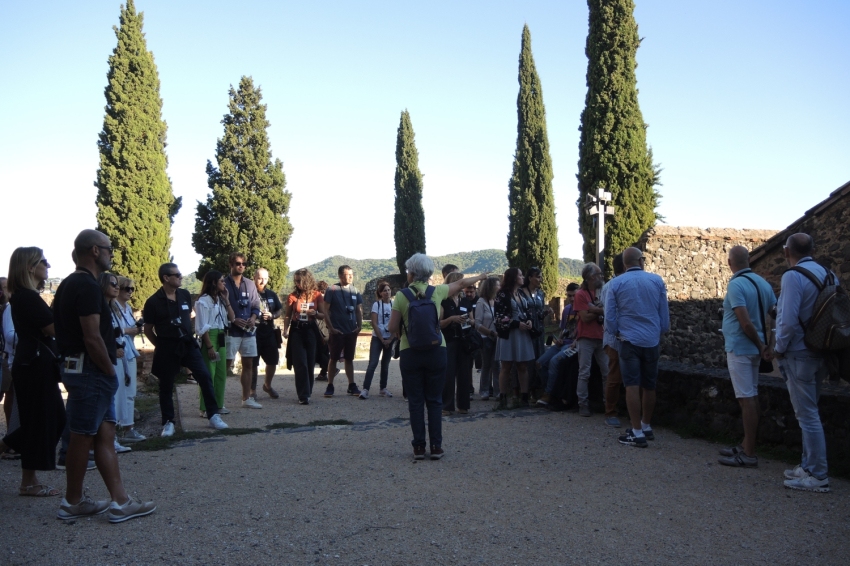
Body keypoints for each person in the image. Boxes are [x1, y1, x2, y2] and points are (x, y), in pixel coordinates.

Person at [54, 229, 155, 522]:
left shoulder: (71, 285)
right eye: (108, 247)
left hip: (85, 369)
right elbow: (92, 337)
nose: (112, 252)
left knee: (103, 435)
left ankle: (119, 500)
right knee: (82, 437)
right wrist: (110, 370)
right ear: (95, 251)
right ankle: (73, 501)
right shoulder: (85, 286)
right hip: (92, 370)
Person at [388, 254, 487, 460]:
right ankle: (436, 447)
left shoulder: (401, 296)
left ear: (412, 273)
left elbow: (391, 327)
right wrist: (480, 276)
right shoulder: (437, 291)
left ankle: (418, 447)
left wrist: (401, 331)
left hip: (410, 351)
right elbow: (460, 283)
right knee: (434, 400)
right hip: (436, 349)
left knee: (415, 401)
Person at [0, 247, 65, 497]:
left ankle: (28, 479)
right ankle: (28, 480)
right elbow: (53, 329)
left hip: (34, 365)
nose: (47, 266)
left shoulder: (25, 296)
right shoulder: (27, 297)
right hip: (34, 366)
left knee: (41, 421)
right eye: (43, 262)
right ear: (30, 267)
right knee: (45, 420)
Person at [773, 233, 832, 492]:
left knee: (807, 415)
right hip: (822, 350)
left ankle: (818, 475)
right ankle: (808, 466)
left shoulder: (793, 276)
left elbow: (786, 319)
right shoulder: (829, 274)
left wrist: (778, 348)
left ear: (787, 252)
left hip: (799, 352)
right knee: (811, 411)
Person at [143, 262, 230, 436]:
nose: (181, 277)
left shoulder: (183, 295)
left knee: (205, 377)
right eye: (177, 275)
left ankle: (213, 414)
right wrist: (160, 345)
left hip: (188, 344)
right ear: (166, 278)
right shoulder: (153, 301)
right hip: (167, 346)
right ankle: (168, 422)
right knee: (166, 385)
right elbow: (147, 329)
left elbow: (189, 317)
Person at [717, 246, 776, 468]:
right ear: (749, 260)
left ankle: (749, 453)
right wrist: (770, 344)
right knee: (751, 395)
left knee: (746, 399)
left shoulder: (736, 285)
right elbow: (775, 316)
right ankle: (745, 444)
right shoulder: (763, 283)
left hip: (741, 347)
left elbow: (745, 322)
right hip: (755, 348)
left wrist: (762, 345)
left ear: (730, 262)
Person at [605, 247, 670, 448]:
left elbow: (609, 316)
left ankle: (636, 431)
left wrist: (616, 332)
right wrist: (660, 331)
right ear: (641, 261)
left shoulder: (616, 283)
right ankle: (646, 424)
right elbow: (664, 315)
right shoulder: (657, 281)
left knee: (631, 385)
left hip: (628, 340)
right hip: (651, 340)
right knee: (649, 385)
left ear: (625, 264)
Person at [194, 270, 235, 417]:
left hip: (221, 335)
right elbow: (202, 326)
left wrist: (227, 300)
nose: (224, 283)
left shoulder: (221, 299)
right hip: (209, 336)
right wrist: (209, 346)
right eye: (221, 281)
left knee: (221, 373)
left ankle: (218, 404)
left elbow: (232, 317)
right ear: (213, 283)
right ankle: (205, 407)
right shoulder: (203, 301)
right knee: (208, 373)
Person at [99, 273, 133, 455]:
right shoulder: (100, 308)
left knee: (118, 396)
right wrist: (112, 349)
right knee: (110, 398)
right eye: (113, 284)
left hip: (118, 357)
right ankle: (108, 440)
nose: (117, 287)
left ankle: (113, 438)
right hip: (108, 358)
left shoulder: (113, 308)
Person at [223, 252, 262, 408]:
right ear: (231, 265)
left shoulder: (250, 284)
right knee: (225, 365)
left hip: (248, 331)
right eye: (238, 263)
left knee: (249, 364)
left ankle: (246, 399)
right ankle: (218, 401)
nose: (241, 266)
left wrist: (253, 318)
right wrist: (232, 319)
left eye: (244, 264)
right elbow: (218, 306)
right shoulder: (223, 283)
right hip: (230, 331)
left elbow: (256, 306)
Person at [494, 268, 536, 408]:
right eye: (520, 274)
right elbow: (499, 317)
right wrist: (517, 323)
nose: (522, 276)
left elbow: (527, 311)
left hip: (522, 333)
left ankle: (524, 397)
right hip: (509, 334)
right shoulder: (502, 295)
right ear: (513, 277)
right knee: (506, 366)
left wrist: (529, 320)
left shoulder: (520, 293)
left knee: (522, 366)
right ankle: (503, 398)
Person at [282, 269, 325, 404]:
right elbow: (288, 315)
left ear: (307, 280)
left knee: (310, 362)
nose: (297, 283)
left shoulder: (317, 295)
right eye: (295, 280)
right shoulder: (293, 296)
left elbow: (323, 315)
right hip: (297, 330)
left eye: (299, 280)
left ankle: (308, 391)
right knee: (300, 363)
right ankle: (303, 395)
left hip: (311, 330)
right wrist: (285, 329)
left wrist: (315, 313)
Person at [535, 282, 579, 407]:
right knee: (540, 363)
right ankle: (549, 390)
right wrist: (559, 339)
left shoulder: (583, 310)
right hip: (563, 343)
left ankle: (549, 394)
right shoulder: (566, 310)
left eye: (574, 295)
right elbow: (563, 329)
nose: (571, 298)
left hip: (574, 345)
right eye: (569, 296)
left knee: (555, 361)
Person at [113, 277, 146, 443]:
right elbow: (113, 329)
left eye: (132, 289)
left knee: (130, 391)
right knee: (118, 392)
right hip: (119, 352)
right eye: (127, 288)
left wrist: (135, 329)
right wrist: (128, 329)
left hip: (129, 352)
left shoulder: (127, 308)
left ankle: (129, 427)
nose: (130, 292)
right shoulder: (113, 308)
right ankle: (116, 431)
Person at [573, 263, 608, 417]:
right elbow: (585, 318)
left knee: (607, 372)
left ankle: (609, 404)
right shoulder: (580, 294)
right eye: (599, 274)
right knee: (584, 372)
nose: (602, 276)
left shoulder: (603, 291)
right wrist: (601, 310)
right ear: (592, 277)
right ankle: (583, 404)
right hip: (586, 338)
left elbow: (608, 310)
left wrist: (594, 309)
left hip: (601, 337)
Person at [322, 265, 363, 397]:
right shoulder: (332, 290)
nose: (351, 277)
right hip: (337, 331)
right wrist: (331, 328)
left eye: (352, 274)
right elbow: (325, 310)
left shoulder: (355, 291)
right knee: (333, 358)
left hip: (351, 331)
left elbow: (358, 310)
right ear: (340, 276)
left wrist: (360, 326)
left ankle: (351, 385)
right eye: (348, 274)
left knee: (349, 358)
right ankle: (330, 385)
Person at [440, 272, 473, 415]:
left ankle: (463, 405)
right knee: (448, 373)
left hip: (464, 341)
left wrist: (469, 321)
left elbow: (473, 320)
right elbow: (438, 323)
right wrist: (452, 319)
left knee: (464, 374)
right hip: (449, 341)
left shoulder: (465, 301)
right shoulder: (443, 302)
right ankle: (447, 406)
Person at [601, 254, 625, 427]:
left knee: (617, 375)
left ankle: (615, 410)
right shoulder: (611, 286)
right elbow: (609, 314)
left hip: (619, 336)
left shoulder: (611, 285)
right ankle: (610, 410)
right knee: (614, 376)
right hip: (615, 338)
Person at [359, 280, 394, 400]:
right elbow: (374, 323)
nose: (387, 293)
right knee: (373, 363)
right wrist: (381, 338)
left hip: (389, 337)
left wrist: (390, 339)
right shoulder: (376, 305)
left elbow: (396, 323)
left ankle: (383, 388)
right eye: (384, 291)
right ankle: (365, 389)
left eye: (389, 290)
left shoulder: (394, 305)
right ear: (380, 293)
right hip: (377, 337)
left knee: (385, 364)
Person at [519, 266, 551, 394]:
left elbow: (539, 314)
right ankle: (525, 390)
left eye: (540, 276)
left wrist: (546, 313)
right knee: (528, 360)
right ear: (530, 278)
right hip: (527, 330)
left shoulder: (540, 293)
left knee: (539, 358)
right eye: (537, 276)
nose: (540, 279)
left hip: (539, 330)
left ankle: (538, 389)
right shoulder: (520, 292)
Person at [252, 268, 283, 399]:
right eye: (260, 278)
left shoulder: (271, 294)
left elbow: (279, 310)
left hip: (269, 331)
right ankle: (251, 391)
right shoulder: (249, 293)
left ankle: (267, 385)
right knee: (252, 363)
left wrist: (272, 315)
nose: (262, 281)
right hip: (253, 333)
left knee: (273, 361)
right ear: (254, 278)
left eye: (265, 278)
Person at [474, 276, 501, 400]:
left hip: (497, 338)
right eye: (497, 285)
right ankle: (484, 391)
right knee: (486, 365)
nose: (500, 287)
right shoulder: (481, 302)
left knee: (497, 365)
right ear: (491, 287)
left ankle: (498, 391)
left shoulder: (497, 301)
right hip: (486, 338)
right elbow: (477, 324)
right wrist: (490, 332)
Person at [314, 280, 331, 381]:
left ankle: (330, 368)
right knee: (324, 351)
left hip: (322, 328)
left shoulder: (322, 301)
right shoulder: (329, 300)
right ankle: (323, 373)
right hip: (328, 328)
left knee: (319, 351)